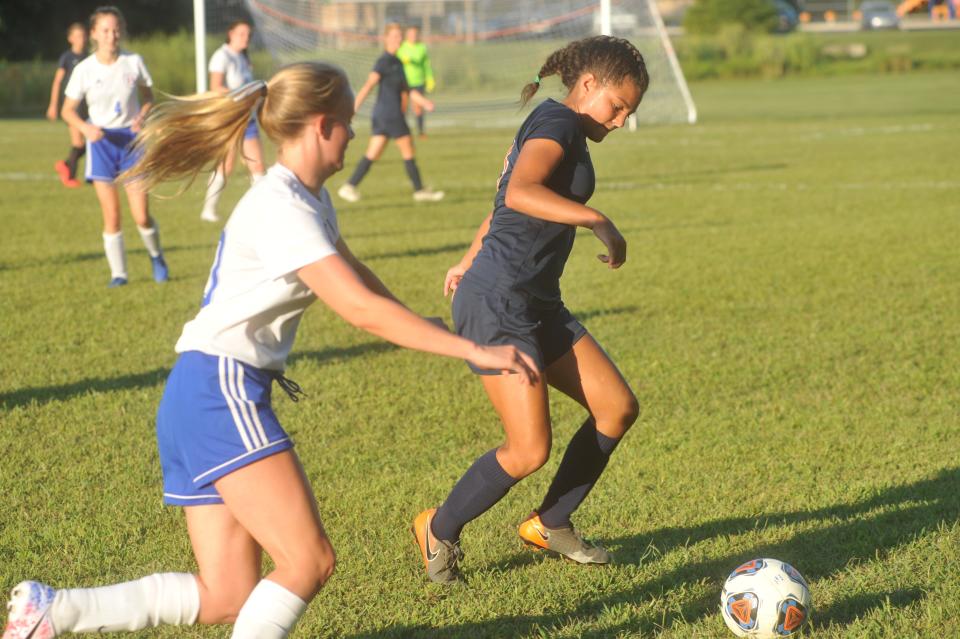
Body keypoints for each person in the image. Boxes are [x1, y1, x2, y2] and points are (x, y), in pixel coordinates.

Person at [2, 61, 538, 639]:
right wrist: (467, 349)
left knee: (227, 592)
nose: (355, 134)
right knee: (309, 560)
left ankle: (54, 613)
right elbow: (357, 308)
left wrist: (429, 325)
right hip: (220, 391)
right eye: (348, 122)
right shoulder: (284, 205)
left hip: (198, 392)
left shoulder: (307, 198)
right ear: (319, 126)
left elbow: (357, 275)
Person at [412, 36, 648, 585]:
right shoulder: (560, 124)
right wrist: (598, 219)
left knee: (616, 407)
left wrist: (468, 256)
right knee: (528, 448)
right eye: (617, 106)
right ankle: (438, 528)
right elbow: (519, 192)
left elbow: (503, 198)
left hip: (536, 299)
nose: (620, 121)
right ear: (587, 85)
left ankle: (551, 521)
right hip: (498, 303)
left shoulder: (564, 127)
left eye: (629, 113)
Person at [60, 6, 168, 288]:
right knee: (112, 216)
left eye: (116, 29)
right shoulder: (84, 69)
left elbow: (148, 97)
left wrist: (143, 114)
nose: (112, 35)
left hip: (132, 143)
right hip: (102, 144)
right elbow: (67, 110)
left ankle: (157, 256)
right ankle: (119, 274)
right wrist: (86, 128)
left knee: (142, 215)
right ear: (94, 34)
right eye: (105, 30)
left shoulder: (134, 62)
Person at [337, 23, 444, 204]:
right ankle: (419, 191)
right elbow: (368, 85)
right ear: (386, 38)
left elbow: (409, 91)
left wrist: (424, 103)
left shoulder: (398, 62)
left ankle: (349, 186)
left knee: (373, 153)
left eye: (399, 36)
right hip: (390, 114)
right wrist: (353, 109)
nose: (398, 39)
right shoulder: (384, 61)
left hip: (383, 115)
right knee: (408, 149)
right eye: (394, 36)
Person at [200, 18, 266, 223]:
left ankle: (261, 211)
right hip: (231, 118)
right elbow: (215, 87)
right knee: (226, 166)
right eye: (241, 34)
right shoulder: (222, 56)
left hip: (248, 119)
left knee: (257, 166)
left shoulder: (243, 58)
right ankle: (208, 210)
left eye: (248, 34)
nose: (246, 38)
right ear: (230, 34)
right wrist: (244, 94)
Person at [46, 22, 89, 188]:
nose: (81, 39)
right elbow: (57, 82)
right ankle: (70, 176)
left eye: (83, 36)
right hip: (72, 106)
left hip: (87, 105)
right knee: (78, 143)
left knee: (88, 144)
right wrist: (53, 105)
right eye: (77, 36)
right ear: (70, 39)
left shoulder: (89, 57)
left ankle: (65, 165)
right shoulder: (67, 58)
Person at [396, 25, 434, 138]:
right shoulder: (401, 47)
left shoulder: (421, 47)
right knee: (402, 107)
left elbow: (425, 64)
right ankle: (402, 131)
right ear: (407, 35)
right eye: (410, 34)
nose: (413, 36)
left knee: (417, 108)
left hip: (418, 81)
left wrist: (430, 78)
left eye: (415, 34)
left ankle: (421, 132)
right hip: (403, 82)